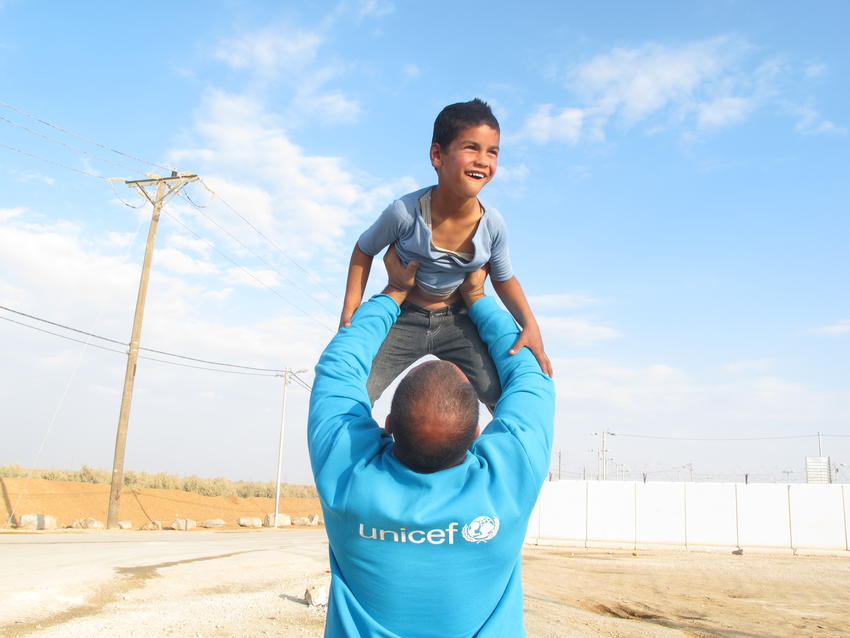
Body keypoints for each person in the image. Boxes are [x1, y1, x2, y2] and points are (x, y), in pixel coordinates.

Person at [309, 247, 555, 637]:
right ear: (477, 436)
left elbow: (339, 368)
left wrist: (394, 291)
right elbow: (532, 376)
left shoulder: (348, 478)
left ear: (387, 425)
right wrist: (478, 299)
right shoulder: (507, 484)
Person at [340, 98, 552, 411]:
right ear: (438, 155)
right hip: (406, 315)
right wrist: (349, 312)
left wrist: (530, 324)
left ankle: (490, 456)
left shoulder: (492, 224)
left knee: (497, 393)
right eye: (471, 148)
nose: (483, 160)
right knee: (360, 389)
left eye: (492, 152)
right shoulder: (405, 213)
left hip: (458, 320)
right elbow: (364, 249)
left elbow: (504, 277)